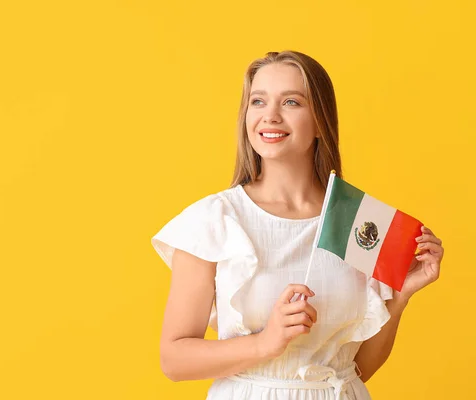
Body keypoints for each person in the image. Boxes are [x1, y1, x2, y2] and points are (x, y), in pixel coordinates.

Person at [150, 50, 444, 400]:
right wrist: (266, 343)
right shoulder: (215, 219)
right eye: (258, 102)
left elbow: (359, 367)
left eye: (291, 102)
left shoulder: (357, 222)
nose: (269, 116)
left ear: (320, 120)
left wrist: (400, 296)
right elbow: (174, 360)